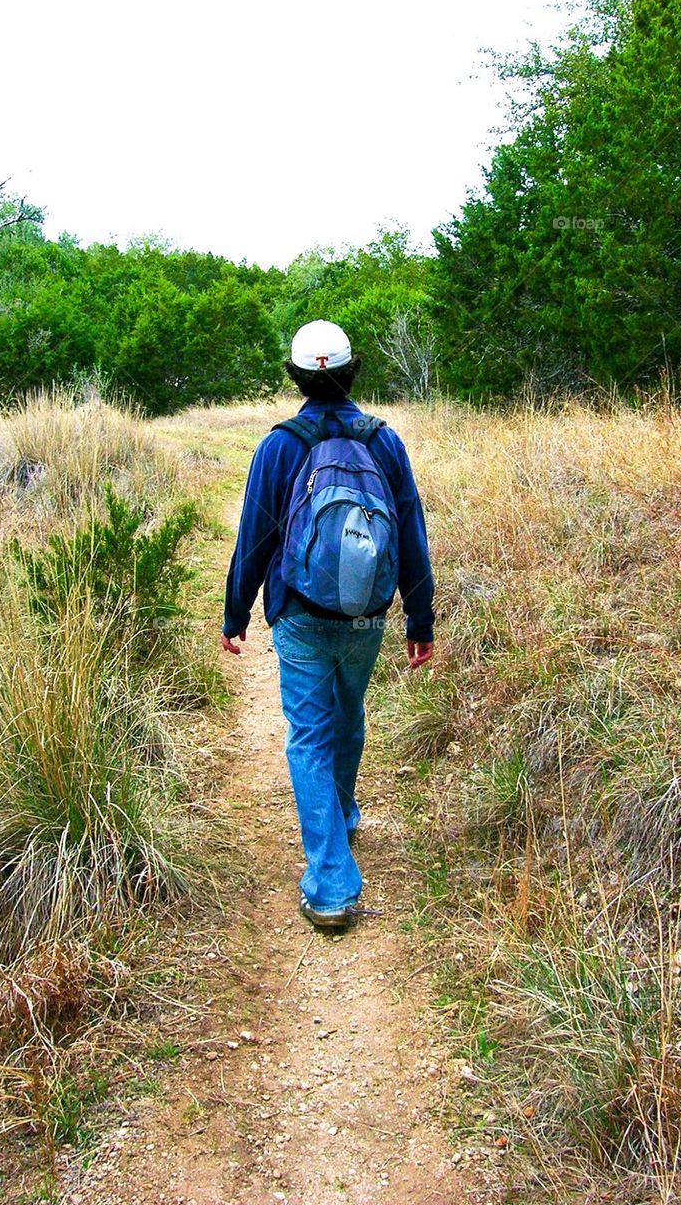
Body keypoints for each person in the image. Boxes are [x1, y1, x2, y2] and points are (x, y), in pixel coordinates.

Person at [220, 319, 435, 928]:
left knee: (309, 733)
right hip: (368, 616)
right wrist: (420, 619)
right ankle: (341, 816)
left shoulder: (279, 446)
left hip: (299, 615)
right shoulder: (384, 443)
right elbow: (412, 534)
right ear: (351, 371)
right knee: (349, 712)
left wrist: (236, 614)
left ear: (295, 377)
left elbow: (255, 537)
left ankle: (332, 883)